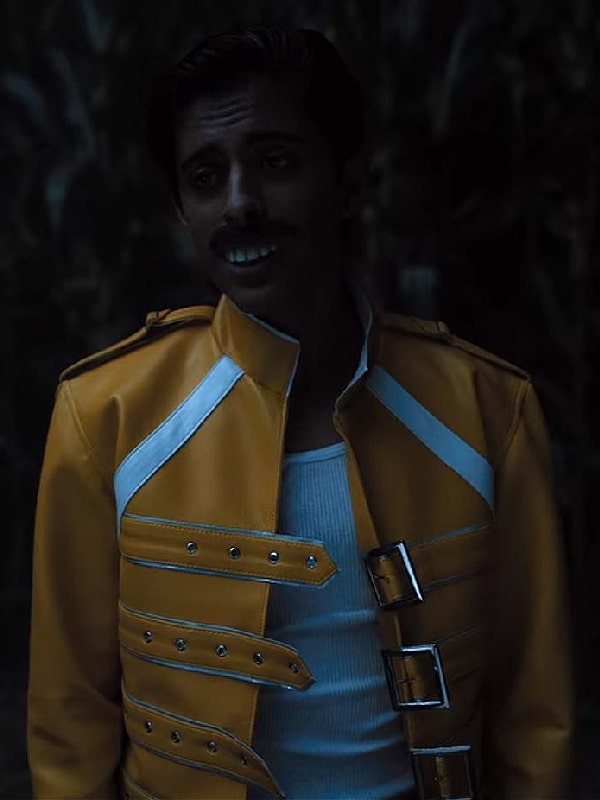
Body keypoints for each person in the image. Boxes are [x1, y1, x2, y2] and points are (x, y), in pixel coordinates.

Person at [28, 25, 574, 800]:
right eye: (206, 177)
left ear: (348, 181)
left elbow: (534, 717)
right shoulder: (106, 415)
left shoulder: (486, 409)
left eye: (276, 162)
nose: (240, 203)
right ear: (181, 210)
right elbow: (68, 721)